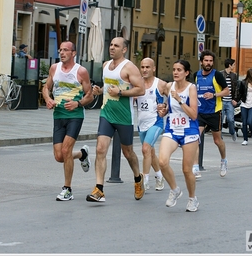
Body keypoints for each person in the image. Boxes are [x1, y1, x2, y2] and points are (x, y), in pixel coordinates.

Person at [86, 37, 145, 202]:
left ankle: (138, 178)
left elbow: (141, 89)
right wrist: (100, 91)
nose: (112, 48)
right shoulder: (105, 65)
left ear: (124, 49)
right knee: (100, 149)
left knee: (128, 153)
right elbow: (108, 87)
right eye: (111, 45)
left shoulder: (129, 68)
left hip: (124, 116)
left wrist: (120, 93)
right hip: (106, 113)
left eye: (116, 46)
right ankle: (99, 189)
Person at [42, 41, 94, 201]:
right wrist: (48, 99)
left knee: (65, 151)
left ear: (73, 53)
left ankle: (67, 189)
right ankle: (82, 154)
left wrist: (77, 103)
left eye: (66, 50)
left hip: (75, 116)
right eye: (60, 50)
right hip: (58, 116)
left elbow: (90, 95)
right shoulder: (54, 68)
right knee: (59, 156)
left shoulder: (81, 71)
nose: (62, 52)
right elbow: (46, 87)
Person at [157, 59, 200, 212]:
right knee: (162, 161)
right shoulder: (170, 86)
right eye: (174, 69)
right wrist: (163, 110)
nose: (175, 72)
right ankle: (175, 189)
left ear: (186, 73)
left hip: (189, 131)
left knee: (186, 170)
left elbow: (194, 114)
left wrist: (180, 100)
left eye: (179, 70)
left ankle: (192, 198)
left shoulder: (191, 88)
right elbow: (169, 107)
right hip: (172, 130)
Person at [192, 50, 230, 178]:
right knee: (195, 139)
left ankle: (224, 160)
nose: (208, 63)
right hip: (200, 112)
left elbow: (226, 91)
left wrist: (214, 94)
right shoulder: (196, 75)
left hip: (214, 112)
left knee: (217, 141)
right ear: (201, 62)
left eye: (210, 61)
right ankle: (196, 167)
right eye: (206, 61)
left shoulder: (217, 75)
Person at [136, 58, 167, 191]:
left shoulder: (160, 84)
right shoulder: (137, 84)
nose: (144, 70)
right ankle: (159, 176)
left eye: (148, 67)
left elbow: (173, 98)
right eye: (142, 67)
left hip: (156, 122)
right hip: (141, 123)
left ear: (153, 68)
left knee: (145, 149)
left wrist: (165, 106)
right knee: (150, 152)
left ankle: (145, 180)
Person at [237, 68, 252, 146]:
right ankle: (245, 139)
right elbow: (240, 93)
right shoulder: (243, 83)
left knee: (250, 121)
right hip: (244, 104)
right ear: (251, 74)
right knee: (244, 123)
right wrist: (236, 100)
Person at [221, 58, 239, 141]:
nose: (234, 66)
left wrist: (235, 99)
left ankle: (232, 132)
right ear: (229, 65)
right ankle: (219, 134)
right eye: (234, 64)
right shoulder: (220, 74)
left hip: (229, 101)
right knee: (220, 119)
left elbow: (235, 89)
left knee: (231, 119)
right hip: (221, 100)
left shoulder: (233, 75)